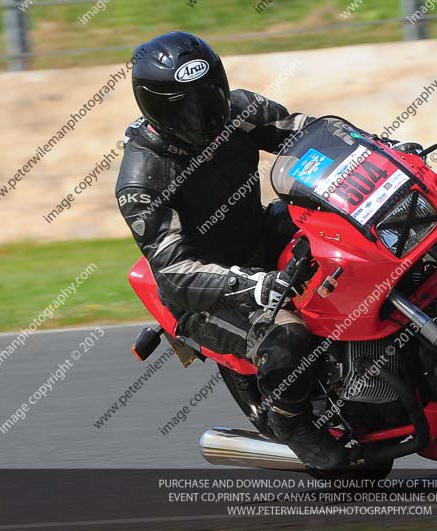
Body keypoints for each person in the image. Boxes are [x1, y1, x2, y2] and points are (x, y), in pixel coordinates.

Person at [115, 32, 347, 470]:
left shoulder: (238, 111)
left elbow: (309, 134)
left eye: (210, 97)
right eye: (187, 106)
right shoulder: (143, 177)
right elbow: (174, 271)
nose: (204, 114)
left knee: (341, 225)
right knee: (287, 337)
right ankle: (292, 424)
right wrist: (251, 285)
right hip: (205, 291)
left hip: (257, 233)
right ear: (157, 109)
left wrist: (376, 151)